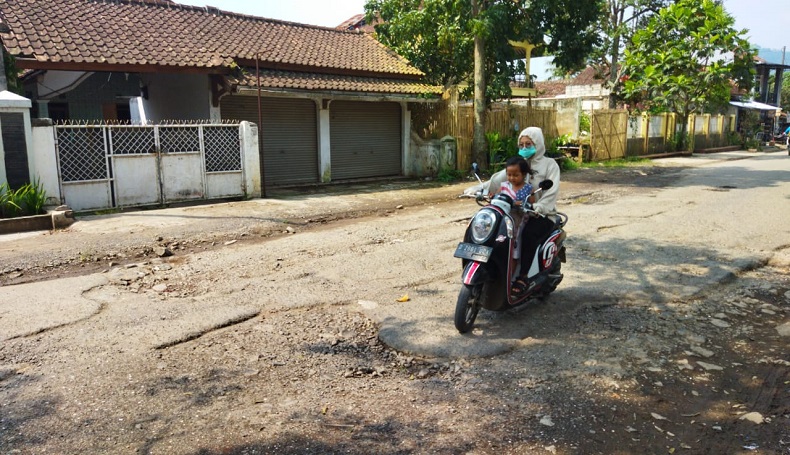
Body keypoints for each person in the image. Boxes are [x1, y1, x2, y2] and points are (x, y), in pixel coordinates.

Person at [510, 126, 561, 296]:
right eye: (521, 144)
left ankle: (523, 277)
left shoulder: (550, 165)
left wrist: (538, 207)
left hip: (543, 214)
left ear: (537, 144)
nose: (524, 148)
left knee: (528, 234)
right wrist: (481, 189)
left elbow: (551, 193)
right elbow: (500, 178)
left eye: (528, 144)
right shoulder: (519, 164)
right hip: (519, 211)